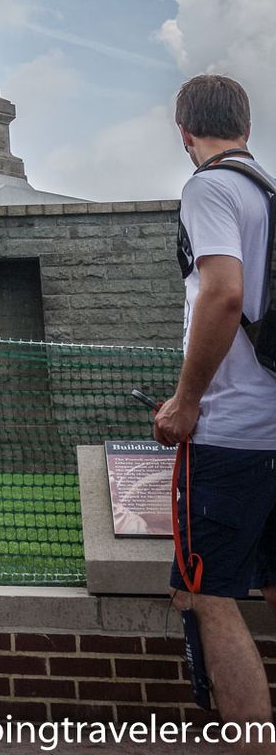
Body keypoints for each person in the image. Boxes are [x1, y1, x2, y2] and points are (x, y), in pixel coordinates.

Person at [153, 74, 276, 732]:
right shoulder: (270, 194)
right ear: (247, 128)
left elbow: (222, 293)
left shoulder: (209, 187)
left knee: (211, 595)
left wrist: (185, 400)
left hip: (232, 434)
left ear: (185, 134)